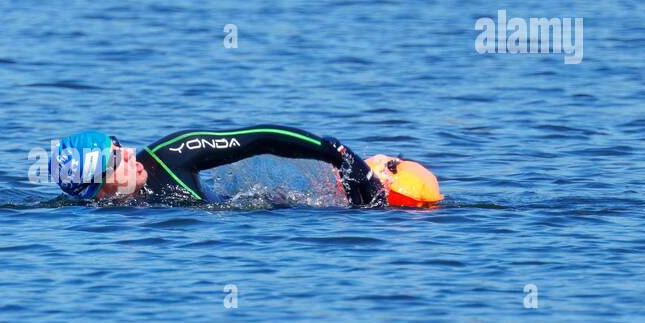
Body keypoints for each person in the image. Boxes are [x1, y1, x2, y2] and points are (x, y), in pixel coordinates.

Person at [50, 124, 443, 207]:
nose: (130, 155)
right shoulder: (100, 223)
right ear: (96, 189)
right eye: (115, 160)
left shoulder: (173, 154)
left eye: (120, 145)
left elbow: (260, 137)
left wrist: (339, 155)